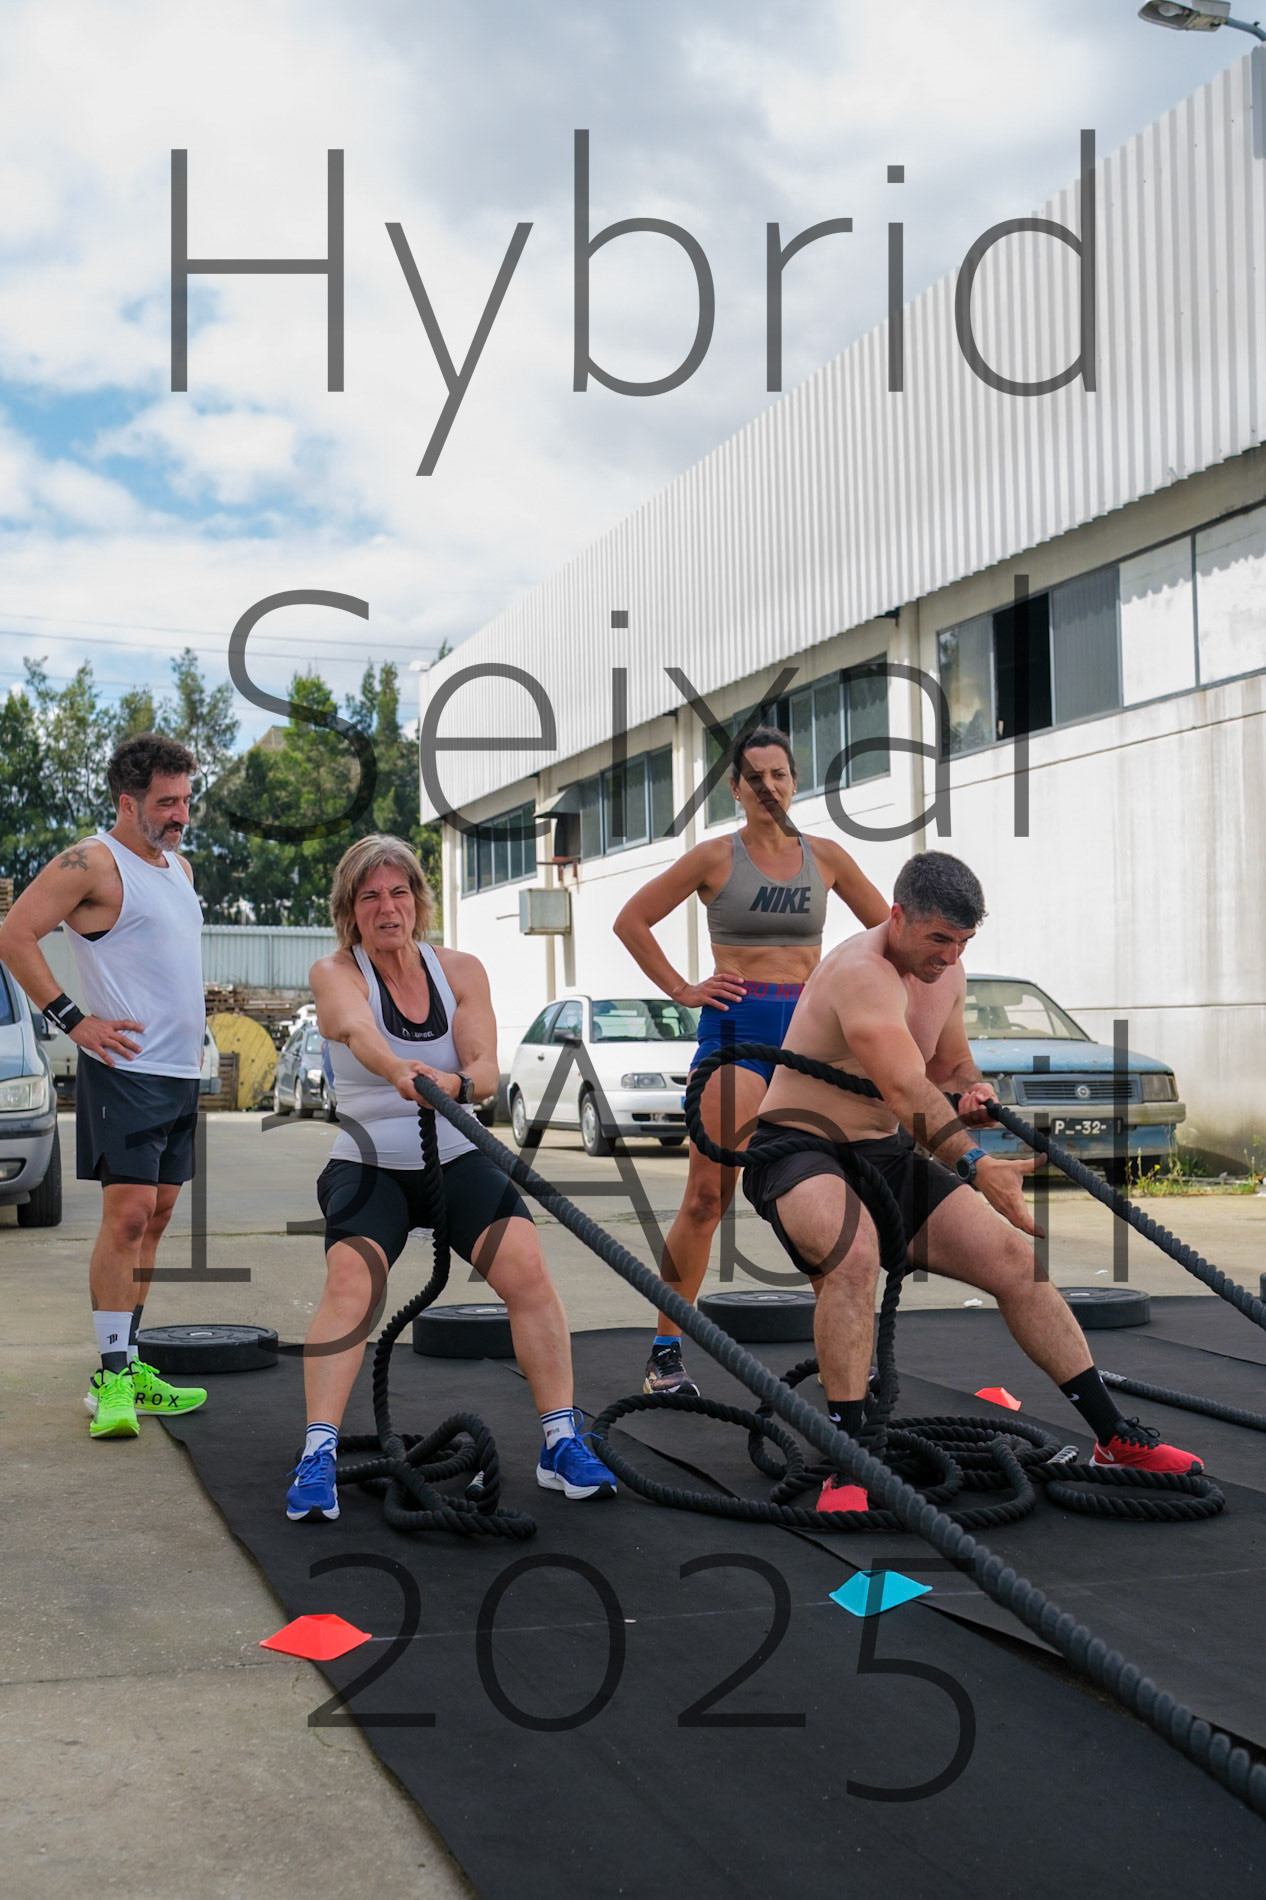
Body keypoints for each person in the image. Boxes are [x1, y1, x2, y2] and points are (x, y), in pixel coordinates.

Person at [741, 849, 1202, 1513]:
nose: (951, 956)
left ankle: (1114, 1437)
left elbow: (948, 1066)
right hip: (798, 1147)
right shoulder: (861, 972)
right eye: (939, 939)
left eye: (963, 942)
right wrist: (977, 1164)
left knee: (1017, 1261)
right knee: (852, 1257)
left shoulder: (946, 973)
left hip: (885, 1153)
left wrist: (972, 1089)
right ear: (898, 916)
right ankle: (850, 1461)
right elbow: (905, 1088)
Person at [286, 832, 617, 1523]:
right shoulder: (335, 971)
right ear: (349, 910)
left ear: (418, 901)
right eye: (370, 897)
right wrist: (398, 1070)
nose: (387, 908)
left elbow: (485, 1068)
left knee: (528, 1271)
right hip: (369, 1161)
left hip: (458, 1154)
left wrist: (458, 1083)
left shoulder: (460, 969)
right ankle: (317, 1453)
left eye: (398, 892)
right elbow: (353, 1028)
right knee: (351, 1283)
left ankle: (560, 1441)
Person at [613, 725, 889, 1398]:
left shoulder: (828, 857)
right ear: (735, 789)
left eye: (779, 775)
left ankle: (850, 1352)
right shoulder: (715, 857)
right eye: (754, 777)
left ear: (795, 782)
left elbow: (889, 933)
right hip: (736, 1030)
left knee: (821, 1194)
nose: (769, 787)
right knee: (708, 1197)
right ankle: (665, 1355)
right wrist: (683, 989)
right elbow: (631, 921)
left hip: (808, 1037)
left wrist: (859, 1001)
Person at [0, 733, 210, 1438]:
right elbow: (14, 934)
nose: (181, 814)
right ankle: (111, 1379)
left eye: (186, 799)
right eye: (167, 802)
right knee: (127, 1218)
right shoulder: (91, 862)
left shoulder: (178, 869)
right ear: (127, 802)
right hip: (127, 1072)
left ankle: (133, 1363)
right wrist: (73, 1020)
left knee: (158, 1217)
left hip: (180, 1074)